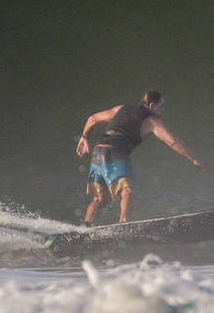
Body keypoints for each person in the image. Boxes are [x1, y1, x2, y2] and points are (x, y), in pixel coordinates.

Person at [76, 90, 204, 225]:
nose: (163, 110)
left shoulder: (121, 109)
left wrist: (84, 137)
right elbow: (172, 141)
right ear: (152, 105)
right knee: (128, 192)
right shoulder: (152, 121)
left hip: (98, 151)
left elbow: (93, 119)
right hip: (115, 152)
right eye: (161, 106)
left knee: (100, 199)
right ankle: (123, 224)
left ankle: (85, 225)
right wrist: (193, 158)